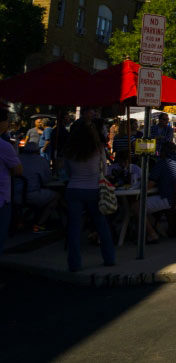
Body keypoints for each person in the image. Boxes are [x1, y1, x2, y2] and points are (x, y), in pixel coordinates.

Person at [64, 114, 116, 271]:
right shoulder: (98, 149)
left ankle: (74, 263)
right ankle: (109, 258)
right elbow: (104, 170)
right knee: (101, 225)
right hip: (94, 189)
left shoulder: (69, 149)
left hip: (74, 189)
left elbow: (67, 172)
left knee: (74, 228)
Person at [146, 140, 176, 241]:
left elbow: (148, 186)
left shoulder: (162, 163)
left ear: (162, 152)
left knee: (137, 207)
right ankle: (160, 228)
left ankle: (152, 234)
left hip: (172, 200)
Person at [19, 142, 59, 231]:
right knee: (55, 196)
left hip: (16, 195)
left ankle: (24, 218)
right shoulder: (41, 161)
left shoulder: (18, 159)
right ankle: (39, 223)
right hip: (32, 195)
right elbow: (47, 180)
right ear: (37, 150)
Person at [0, 105, 22, 255]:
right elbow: (18, 170)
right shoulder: (5, 146)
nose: (8, 124)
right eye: (7, 120)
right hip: (2, 199)